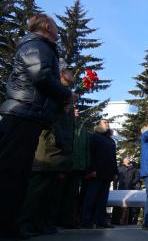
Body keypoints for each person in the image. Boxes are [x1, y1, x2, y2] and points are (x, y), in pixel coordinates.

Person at [0, 14, 78, 238]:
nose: (57, 30)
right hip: (21, 114)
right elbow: (41, 76)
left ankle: (9, 226)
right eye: (54, 25)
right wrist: (66, 96)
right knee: (10, 174)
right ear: (46, 26)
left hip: (30, 115)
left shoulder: (41, 46)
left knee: (18, 175)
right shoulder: (36, 45)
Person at [17, 64, 76, 237]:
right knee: (37, 190)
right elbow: (49, 118)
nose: (73, 74)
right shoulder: (54, 92)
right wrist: (59, 141)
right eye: (70, 72)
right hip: (48, 149)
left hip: (58, 150)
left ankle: (41, 223)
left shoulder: (65, 94)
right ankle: (24, 223)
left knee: (50, 192)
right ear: (61, 74)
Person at [81, 119, 118, 229]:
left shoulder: (111, 140)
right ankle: (86, 220)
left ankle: (100, 220)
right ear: (98, 125)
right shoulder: (94, 137)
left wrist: (115, 172)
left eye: (108, 122)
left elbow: (113, 158)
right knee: (91, 197)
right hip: (96, 173)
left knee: (103, 199)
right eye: (104, 122)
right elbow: (89, 154)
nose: (107, 124)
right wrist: (91, 170)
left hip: (108, 174)